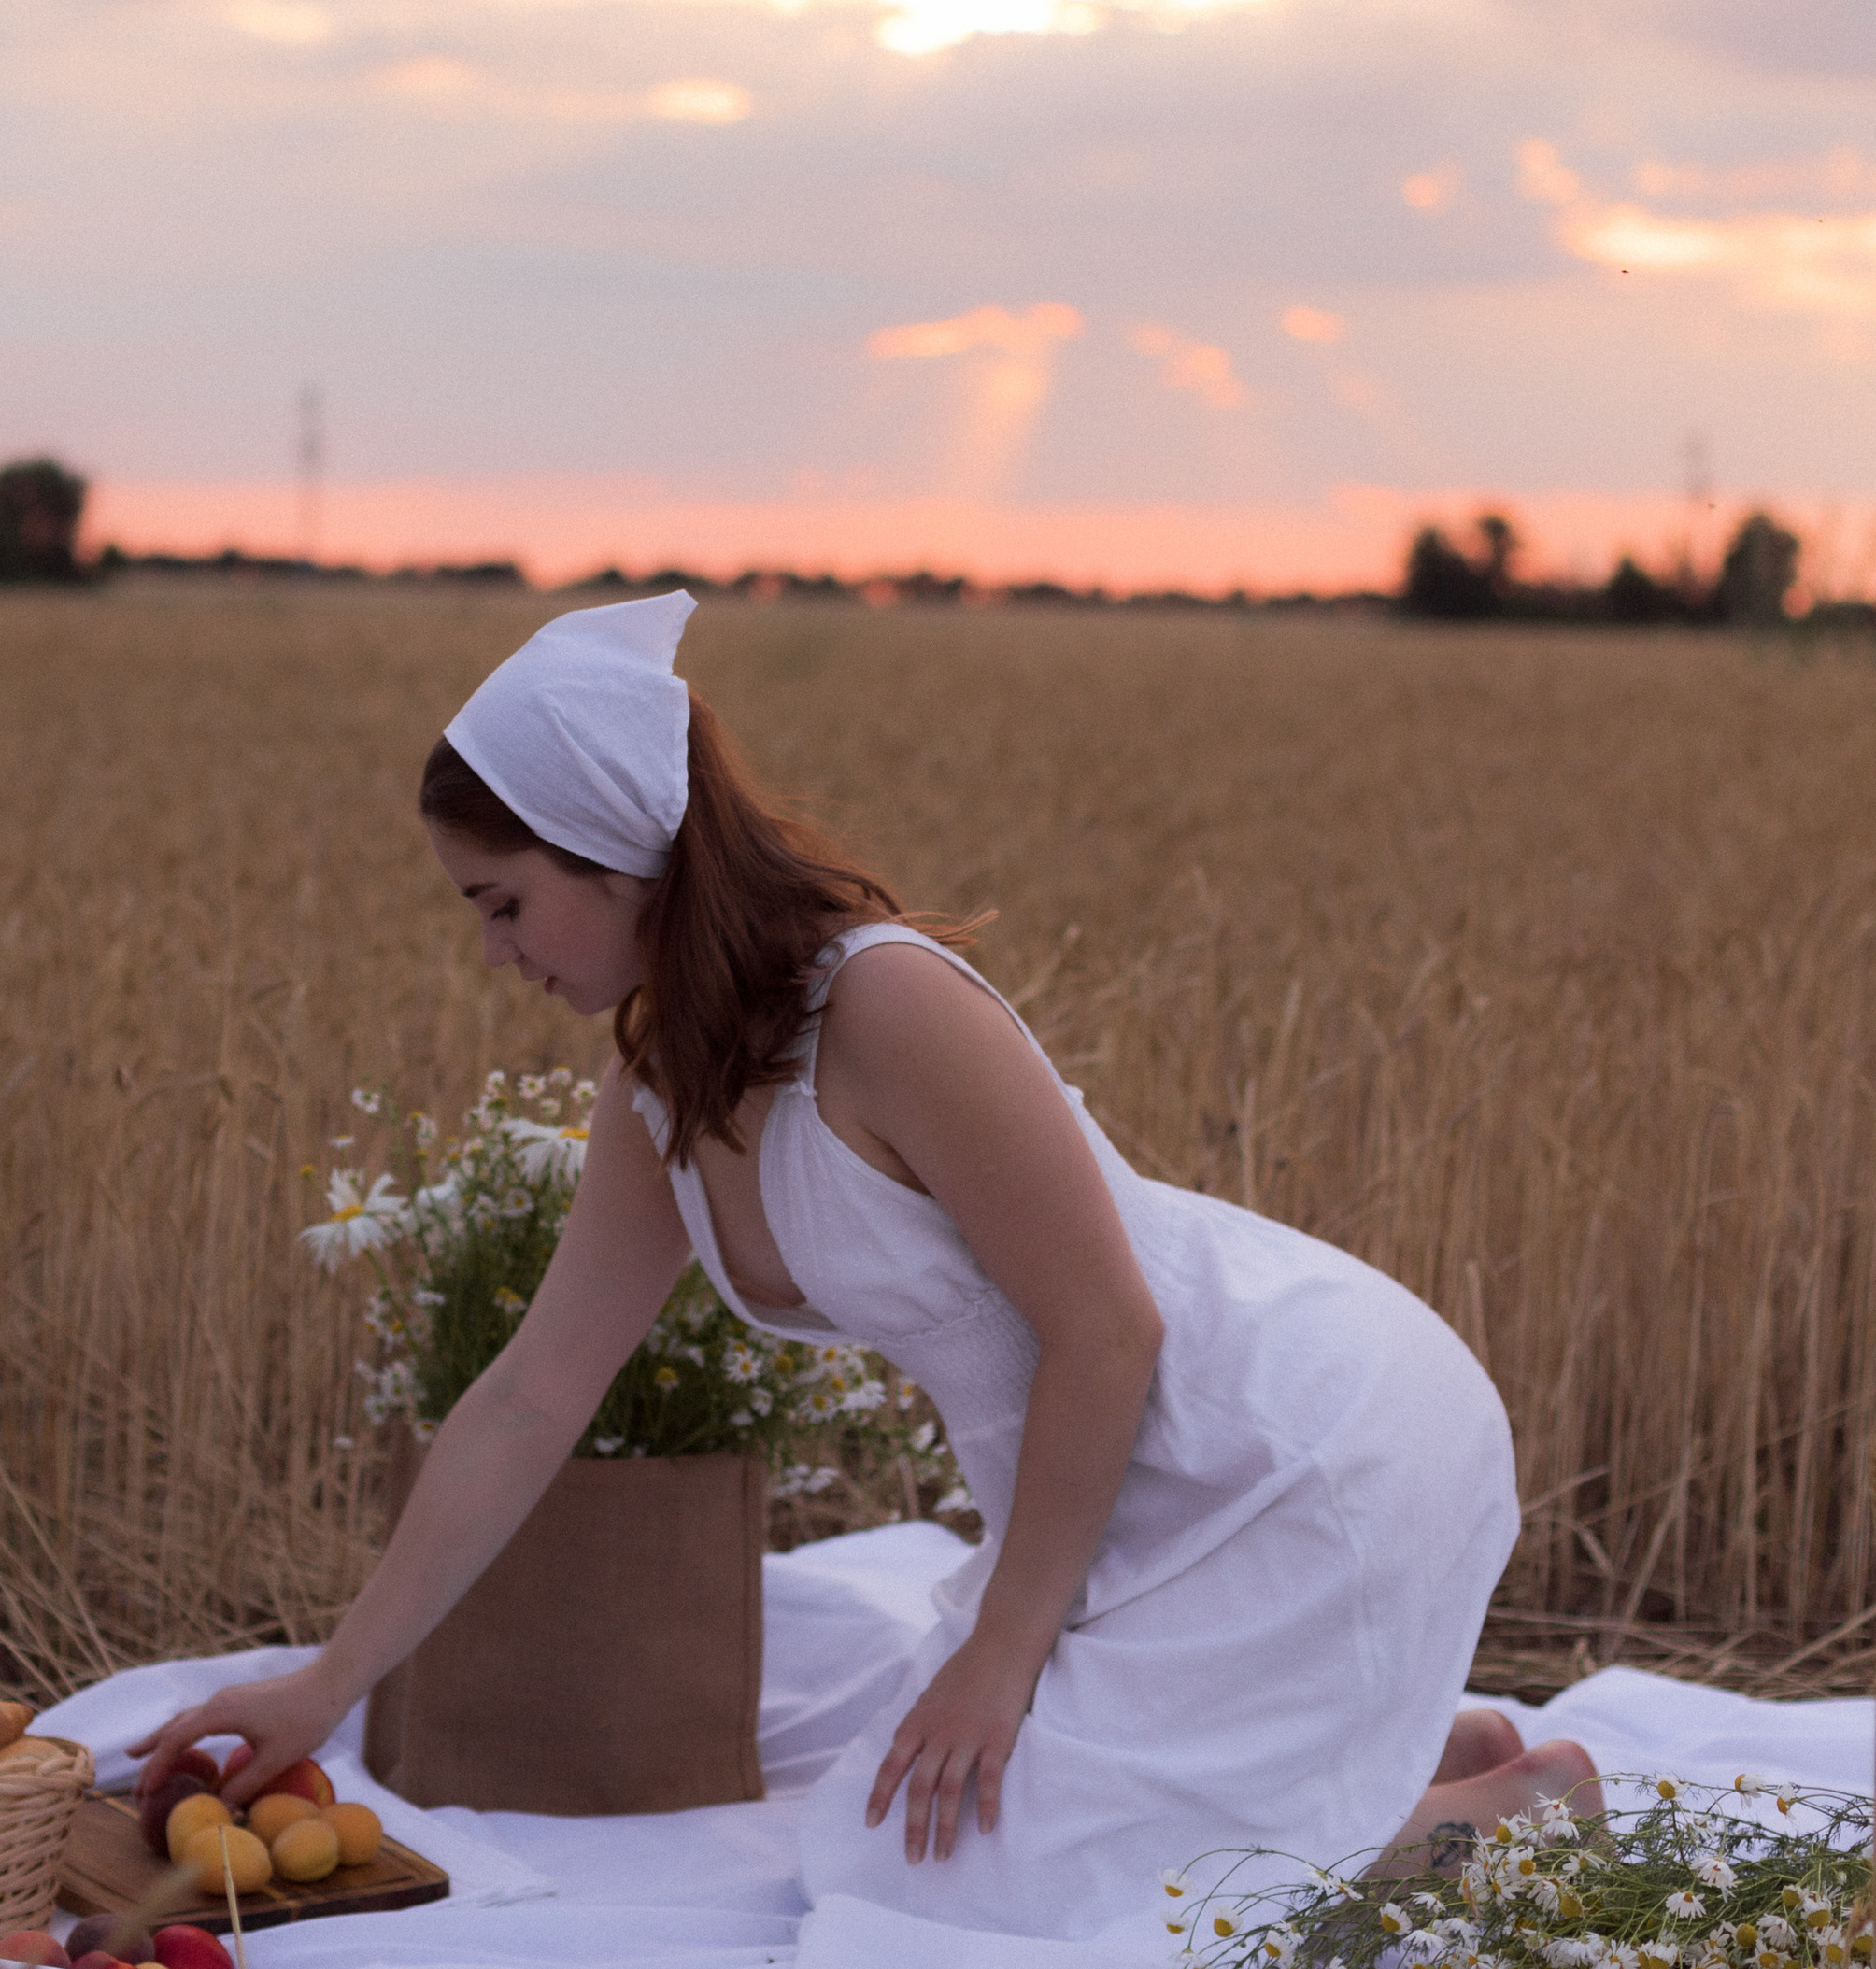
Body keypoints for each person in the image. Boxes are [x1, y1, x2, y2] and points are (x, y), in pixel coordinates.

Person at [134, 592, 1597, 1942]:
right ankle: (1399, 1762)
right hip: (1107, 1499)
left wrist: (1003, 1654)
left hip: (1298, 1444)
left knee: (1038, 1913)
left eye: (502, 903)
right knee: (885, 1862)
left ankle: (1504, 1814)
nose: (496, 952)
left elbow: (1110, 1330)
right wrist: (331, 1682)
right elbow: (530, 1397)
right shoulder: (663, 1099)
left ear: (611, 849)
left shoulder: (885, 1004)